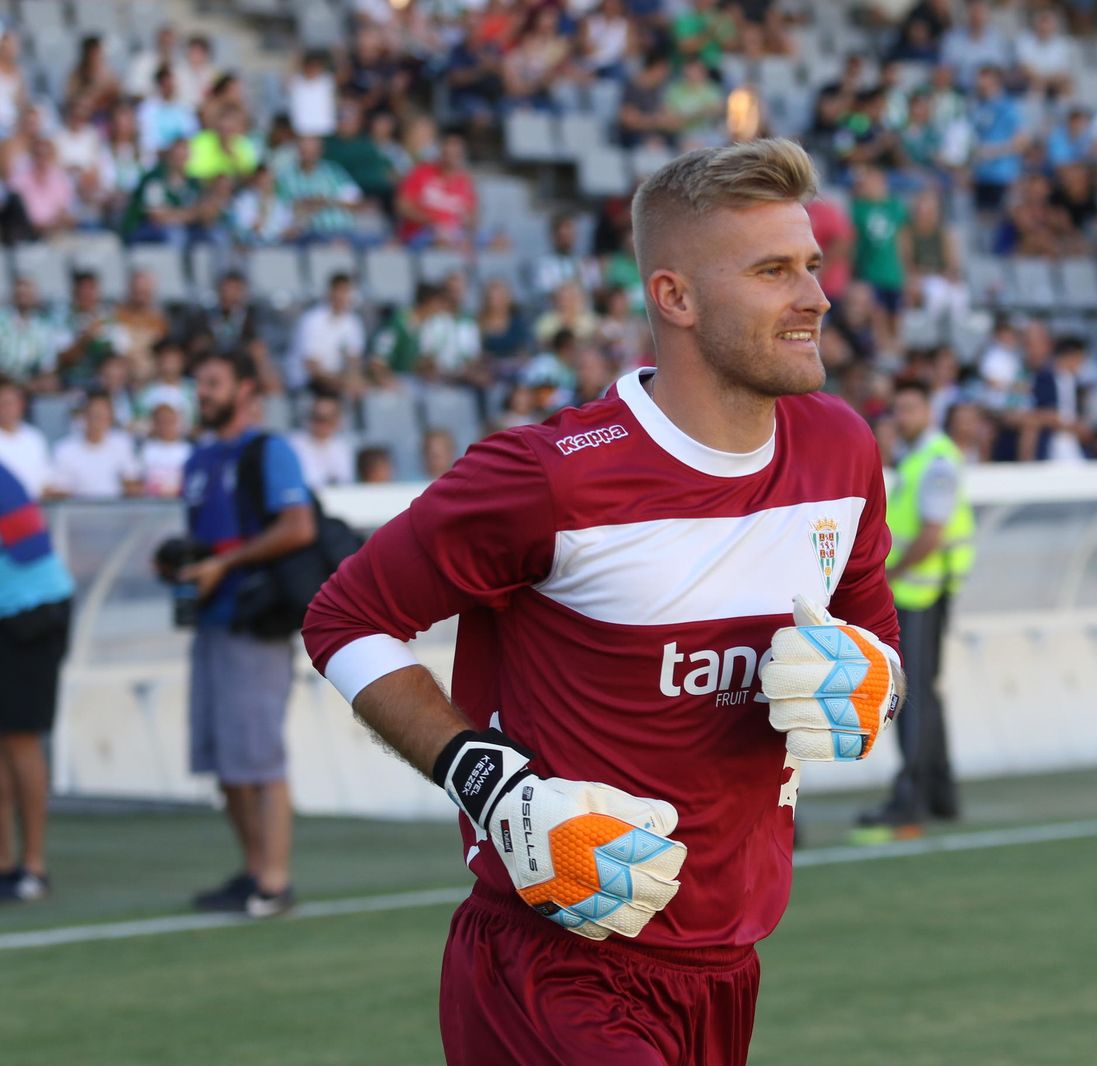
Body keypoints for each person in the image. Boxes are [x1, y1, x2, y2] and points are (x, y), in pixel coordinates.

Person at [300, 139, 901, 1065]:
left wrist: (873, 684)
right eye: (774, 271)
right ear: (677, 298)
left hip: (728, 963)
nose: (816, 298)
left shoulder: (841, 450)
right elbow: (344, 618)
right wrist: (493, 787)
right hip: (554, 968)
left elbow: (875, 638)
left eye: (812, 266)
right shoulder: (546, 478)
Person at [167, 349, 315, 917]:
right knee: (224, 760)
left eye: (212, 382)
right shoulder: (198, 459)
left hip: (254, 623)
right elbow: (208, 540)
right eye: (197, 381)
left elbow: (297, 526)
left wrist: (223, 568)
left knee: (258, 757)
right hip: (210, 621)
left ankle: (274, 882)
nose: (201, 392)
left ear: (246, 391)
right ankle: (254, 870)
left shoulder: (269, 450)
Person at [859, 378, 971, 831]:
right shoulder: (923, 458)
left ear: (928, 412)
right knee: (926, 693)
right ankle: (939, 793)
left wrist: (888, 577)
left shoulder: (935, 462)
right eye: (897, 410)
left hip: (918, 594)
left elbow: (931, 532)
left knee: (913, 698)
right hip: (923, 592)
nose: (901, 418)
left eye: (909, 409)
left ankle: (913, 796)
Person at [0, 457, 74, 902]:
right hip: (13, 611)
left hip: (31, 613)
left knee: (20, 739)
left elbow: (27, 543)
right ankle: (6, 863)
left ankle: (33, 866)